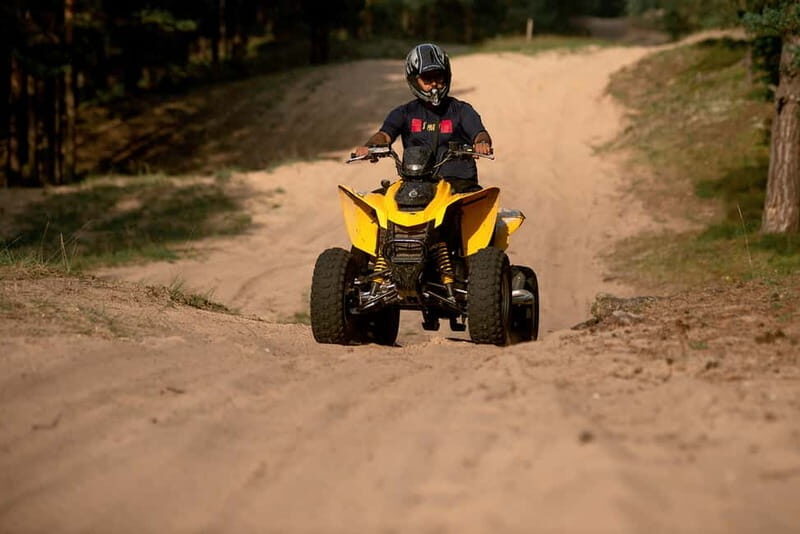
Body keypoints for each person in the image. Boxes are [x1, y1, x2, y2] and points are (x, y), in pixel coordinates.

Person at [353, 43, 492, 193]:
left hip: (459, 186)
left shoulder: (462, 110)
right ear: (414, 80)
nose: (433, 84)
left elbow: (479, 133)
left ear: (447, 76)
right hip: (415, 184)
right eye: (427, 78)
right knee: (375, 203)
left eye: (438, 77)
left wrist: (481, 143)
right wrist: (370, 146)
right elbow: (384, 135)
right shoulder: (404, 112)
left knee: (480, 206)